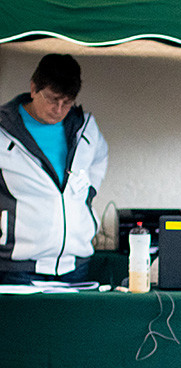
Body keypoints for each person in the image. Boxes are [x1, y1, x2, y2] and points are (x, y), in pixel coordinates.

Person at [0, 53, 108, 285]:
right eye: (52, 99)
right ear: (33, 88)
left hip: (75, 263)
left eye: (67, 102)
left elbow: (99, 160)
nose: (58, 109)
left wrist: (86, 196)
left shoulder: (86, 128)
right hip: (17, 266)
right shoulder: (2, 130)